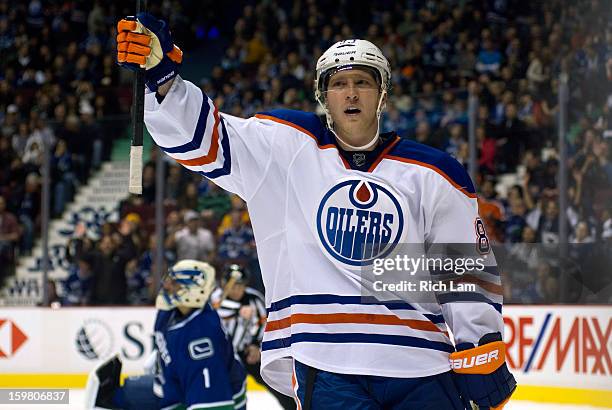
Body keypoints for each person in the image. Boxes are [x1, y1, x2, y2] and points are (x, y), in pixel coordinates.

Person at [116, 14, 516, 409]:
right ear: (324, 95)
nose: (352, 93)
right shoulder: (285, 146)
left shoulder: (434, 171)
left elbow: (464, 271)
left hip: (419, 361)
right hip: (325, 361)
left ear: (383, 93)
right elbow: (205, 141)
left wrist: (480, 343)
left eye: (363, 82)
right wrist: (163, 77)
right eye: (339, 84)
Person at [85, 260, 246, 410]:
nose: (167, 286)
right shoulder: (170, 312)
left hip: (206, 397)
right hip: (173, 385)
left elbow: (212, 404)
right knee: (115, 395)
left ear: (193, 291)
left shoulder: (201, 342)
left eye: (175, 283)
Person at [212, 264, 295, 409]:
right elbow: (216, 311)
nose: (236, 289)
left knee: (275, 384)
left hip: (248, 352)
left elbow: (266, 324)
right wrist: (239, 309)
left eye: (240, 285)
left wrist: (257, 346)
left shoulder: (254, 298)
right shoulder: (216, 297)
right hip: (222, 355)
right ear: (224, 284)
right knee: (223, 390)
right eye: (232, 285)